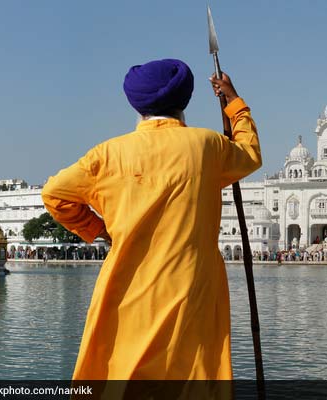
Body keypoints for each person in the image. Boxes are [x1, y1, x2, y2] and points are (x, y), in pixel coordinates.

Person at [42, 59, 261, 380]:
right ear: (184, 101)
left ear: (136, 104)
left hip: (128, 293)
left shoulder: (107, 155)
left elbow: (54, 194)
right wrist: (234, 103)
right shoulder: (207, 146)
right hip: (193, 294)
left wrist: (98, 230)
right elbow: (250, 154)